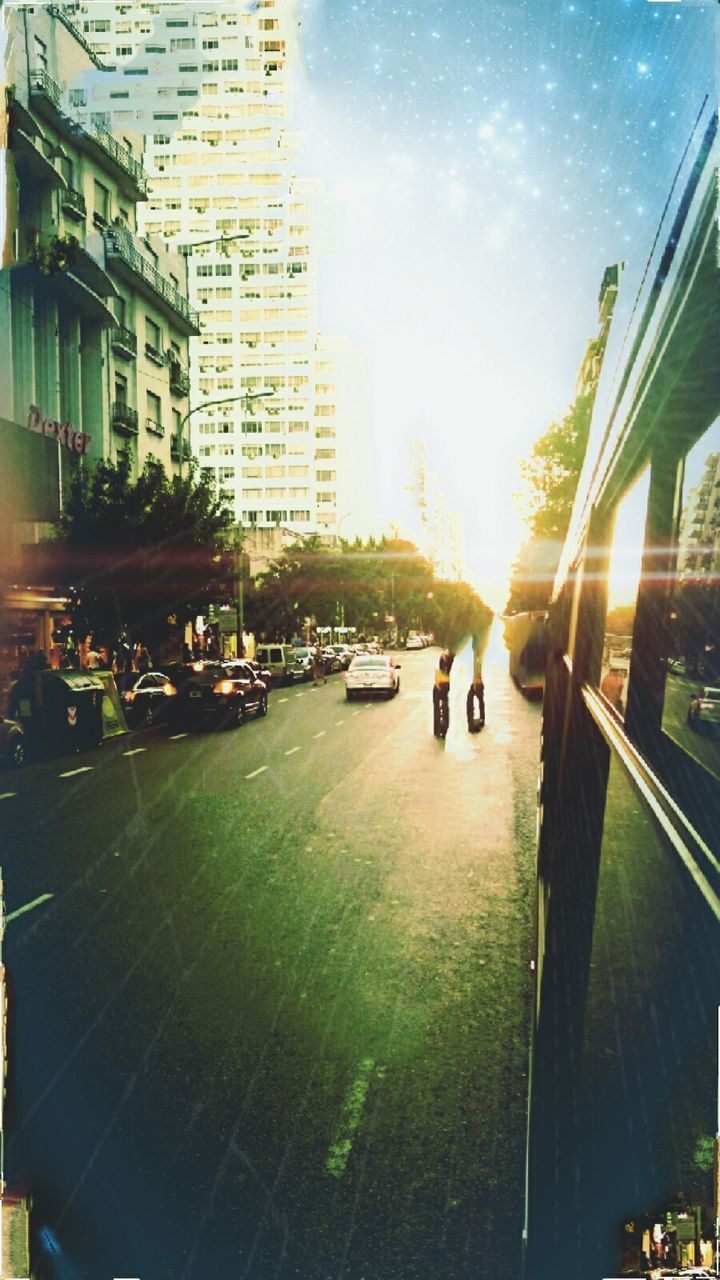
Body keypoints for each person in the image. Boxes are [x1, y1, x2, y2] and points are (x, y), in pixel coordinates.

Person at [433, 652, 451, 738]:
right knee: (444, 709)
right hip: (443, 691)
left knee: (437, 710)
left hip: (439, 690)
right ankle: (444, 729)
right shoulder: (449, 673)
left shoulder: (439, 672)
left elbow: (437, 684)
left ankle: (438, 731)